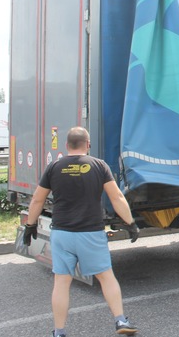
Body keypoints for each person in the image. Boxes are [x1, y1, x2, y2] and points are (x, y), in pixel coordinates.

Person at [23, 126, 140, 336]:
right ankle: (120, 321)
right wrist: (130, 222)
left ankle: (59, 332)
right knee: (106, 277)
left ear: (67, 146)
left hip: (62, 234)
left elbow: (37, 199)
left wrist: (30, 226)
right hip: (91, 233)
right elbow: (116, 197)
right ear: (88, 145)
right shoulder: (99, 166)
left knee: (61, 282)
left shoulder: (54, 167)